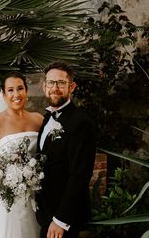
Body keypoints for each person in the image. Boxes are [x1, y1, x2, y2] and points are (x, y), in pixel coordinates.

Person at [0, 71, 44, 238]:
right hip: (8, 198)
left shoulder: (38, 119)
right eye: (10, 90)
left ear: (26, 91)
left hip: (35, 195)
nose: (16, 94)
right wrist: (8, 174)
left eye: (20, 88)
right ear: (3, 95)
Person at [36, 61, 97, 238]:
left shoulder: (81, 123)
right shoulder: (47, 119)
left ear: (72, 87)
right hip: (45, 215)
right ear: (44, 86)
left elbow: (80, 175)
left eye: (61, 83)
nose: (55, 87)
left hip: (64, 220)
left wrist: (61, 220)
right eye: (51, 82)